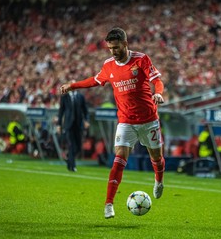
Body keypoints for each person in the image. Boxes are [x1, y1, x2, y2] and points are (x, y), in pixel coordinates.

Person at [59, 27, 165, 219]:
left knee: (156, 158)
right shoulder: (108, 65)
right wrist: (72, 85)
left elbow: (157, 80)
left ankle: (158, 180)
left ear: (125, 44)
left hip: (149, 119)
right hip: (125, 121)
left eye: (116, 48)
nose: (113, 52)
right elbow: (94, 80)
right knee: (119, 159)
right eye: (110, 48)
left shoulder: (141, 59)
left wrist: (158, 93)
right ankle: (109, 204)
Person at [57, 86, 90, 172]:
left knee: (78, 146)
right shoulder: (65, 97)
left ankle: (69, 159)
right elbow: (61, 111)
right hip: (68, 125)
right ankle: (73, 166)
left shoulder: (80, 96)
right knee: (71, 145)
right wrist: (59, 124)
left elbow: (85, 110)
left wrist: (86, 120)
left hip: (78, 125)